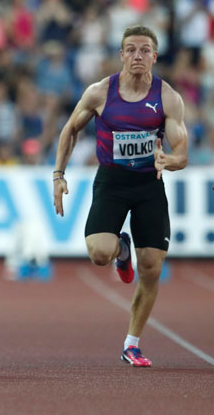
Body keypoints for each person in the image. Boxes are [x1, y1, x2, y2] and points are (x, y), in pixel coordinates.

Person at [53, 25, 188, 367]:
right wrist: (58, 174)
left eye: (145, 50)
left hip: (148, 186)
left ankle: (132, 343)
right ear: (121, 54)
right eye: (131, 49)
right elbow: (70, 129)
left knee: (151, 268)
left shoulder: (168, 97)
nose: (138, 56)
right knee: (99, 254)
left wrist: (168, 161)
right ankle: (120, 248)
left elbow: (182, 154)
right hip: (112, 182)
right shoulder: (101, 92)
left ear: (155, 57)